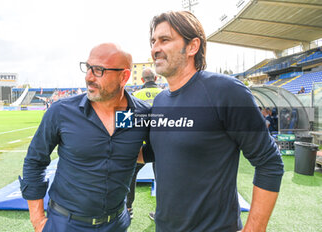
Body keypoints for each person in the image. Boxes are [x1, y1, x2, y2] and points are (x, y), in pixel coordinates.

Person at [140, 11, 284, 231]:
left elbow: (269, 162)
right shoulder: (160, 101)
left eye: (165, 40)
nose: (155, 48)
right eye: (153, 41)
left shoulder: (225, 91)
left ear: (192, 47)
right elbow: (154, 152)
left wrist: (254, 227)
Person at [19, 43, 151, 232]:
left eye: (99, 70)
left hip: (116, 223)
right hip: (65, 223)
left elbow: (160, 149)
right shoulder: (61, 112)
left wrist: (130, 154)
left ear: (124, 76)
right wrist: (38, 220)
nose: (88, 77)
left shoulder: (141, 114)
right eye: (88, 67)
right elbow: (34, 161)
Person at [126, 68, 162, 219]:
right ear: (155, 78)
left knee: (132, 173)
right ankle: (162, 212)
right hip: (160, 142)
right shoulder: (164, 93)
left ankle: (128, 209)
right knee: (161, 176)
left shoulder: (134, 95)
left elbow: (126, 121)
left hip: (140, 142)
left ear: (142, 80)